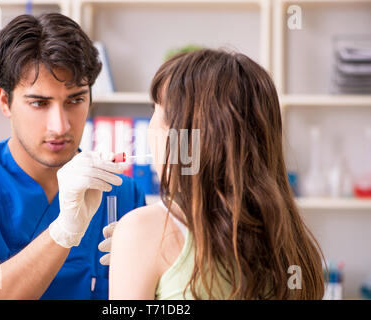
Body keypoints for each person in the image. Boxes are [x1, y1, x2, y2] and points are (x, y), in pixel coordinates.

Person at [0, 13, 145, 300]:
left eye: (75, 100)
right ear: (5, 101)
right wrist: (65, 230)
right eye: (39, 103)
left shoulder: (122, 193)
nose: (61, 126)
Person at [109, 49, 326, 299]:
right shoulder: (294, 244)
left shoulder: (144, 230)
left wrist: (132, 247)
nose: (151, 129)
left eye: (158, 112)